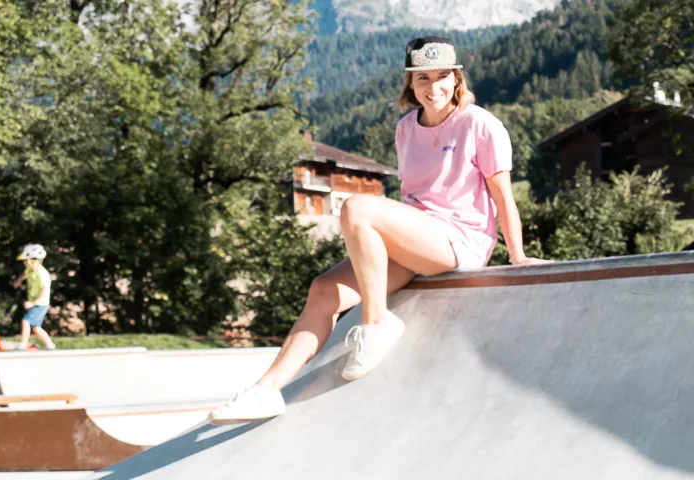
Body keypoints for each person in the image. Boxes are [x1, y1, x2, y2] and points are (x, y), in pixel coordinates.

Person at [208, 36, 547, 424]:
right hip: (418, 237)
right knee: (323, 290)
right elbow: (414, 198)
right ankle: (265, 391)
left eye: (441, 78)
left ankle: (376, 323)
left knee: (356, 207)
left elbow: (502, 195)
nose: (432, 88)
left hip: (460, 240)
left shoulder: (480, 125)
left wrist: (517, 255)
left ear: (456, 79)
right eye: (422, 79)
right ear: (410, 84)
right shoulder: (406, 129)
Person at [9, 244, 58, 351]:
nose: (24, 263)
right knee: (36, 328)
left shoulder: (42, 274)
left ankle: (23, 345)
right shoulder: (29, 271)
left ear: (33, 260)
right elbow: (24, 275)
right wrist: (18, 281)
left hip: (40, 303)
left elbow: (43, 291)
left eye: (26, 261)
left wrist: (32, 303)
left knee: (26, 321)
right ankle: (51, 346)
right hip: (36, 303)